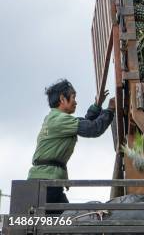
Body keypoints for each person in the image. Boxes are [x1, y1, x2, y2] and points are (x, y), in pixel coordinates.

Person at [28, 79, 115, 213]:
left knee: (66, 220)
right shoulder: (60, 120)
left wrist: (97, 105)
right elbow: (93, 129)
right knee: (65, 221)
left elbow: (85, 122)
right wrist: (110, 110)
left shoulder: (56, 118)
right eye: (73, 97)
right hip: (46, 184)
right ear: (62, 99)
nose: (76, 102)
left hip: (46, 181)